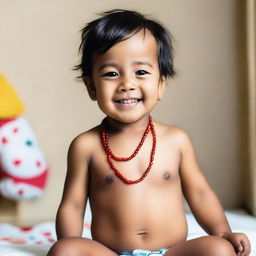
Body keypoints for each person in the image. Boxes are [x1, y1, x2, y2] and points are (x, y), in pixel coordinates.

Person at [47, 9, 251, 256]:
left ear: (161, 84)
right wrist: (72, 244)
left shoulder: (176, 140)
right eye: (111, 73)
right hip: (111, 253)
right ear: (91, 86)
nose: (127, 84)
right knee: (64, 250)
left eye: (141, 72)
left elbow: (200, 193)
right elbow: (73, 205)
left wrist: (222, 232)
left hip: (172, 252)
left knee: (220, 249)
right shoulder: (85, 145)